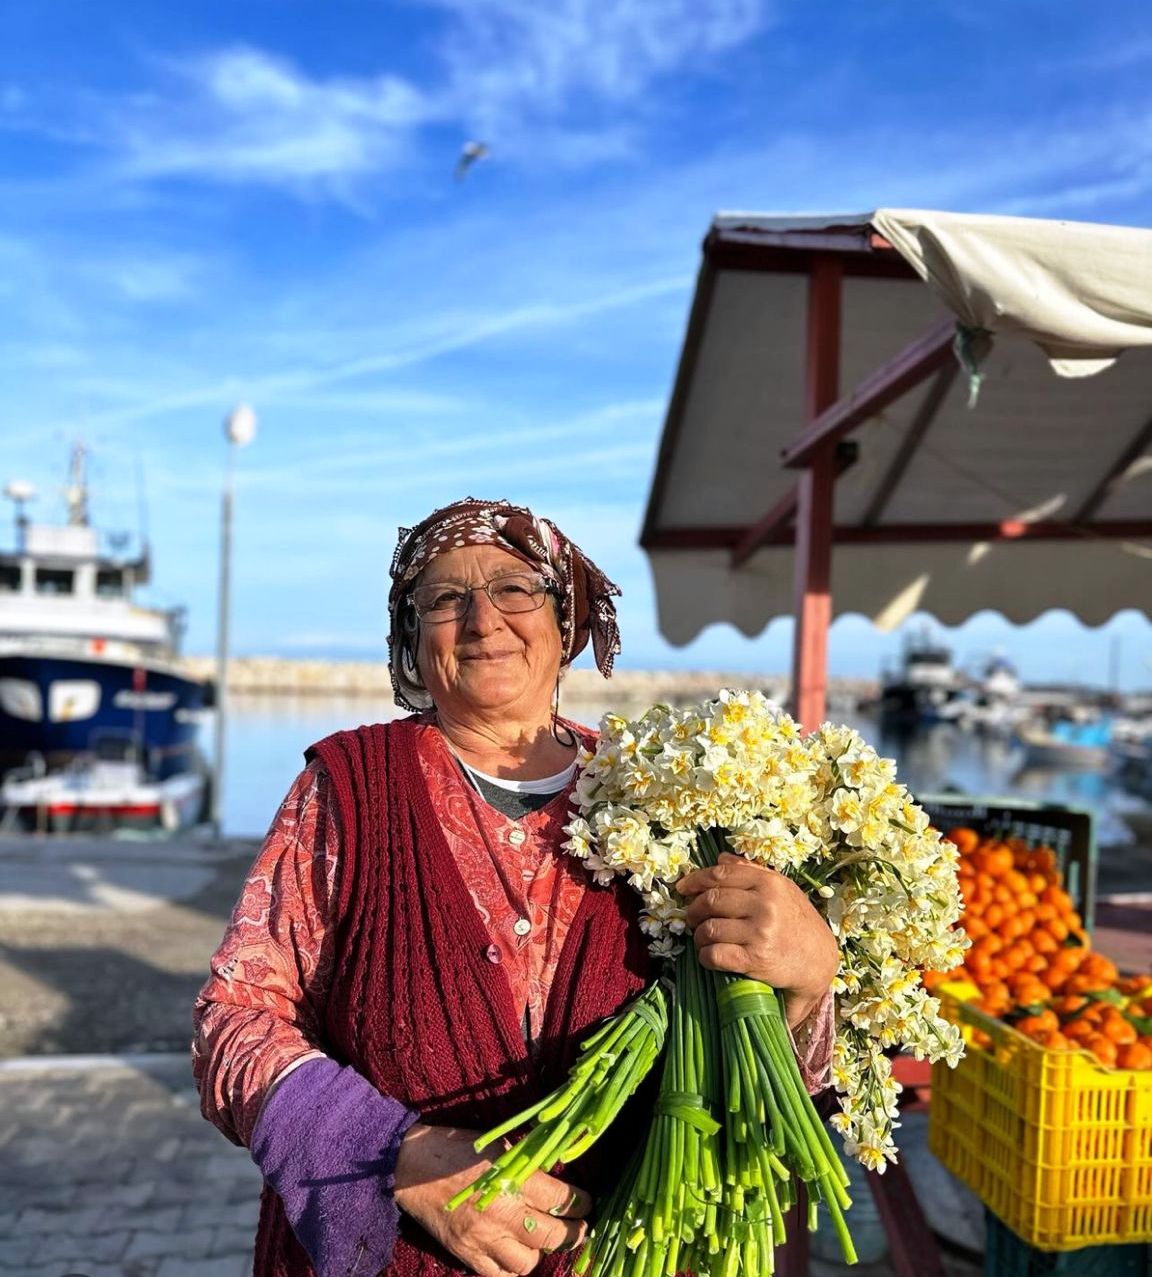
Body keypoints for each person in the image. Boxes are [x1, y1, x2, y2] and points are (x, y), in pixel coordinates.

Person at [193, 497, 840, 1277]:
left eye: (514, 588)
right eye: (444, 598)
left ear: (566, 621)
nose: (482, 620)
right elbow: (233, 1021)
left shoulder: (662, 795)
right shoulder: (346, 790)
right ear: (410, 637)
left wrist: (809, 979)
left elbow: (748, 1064)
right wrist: (400, 1155)